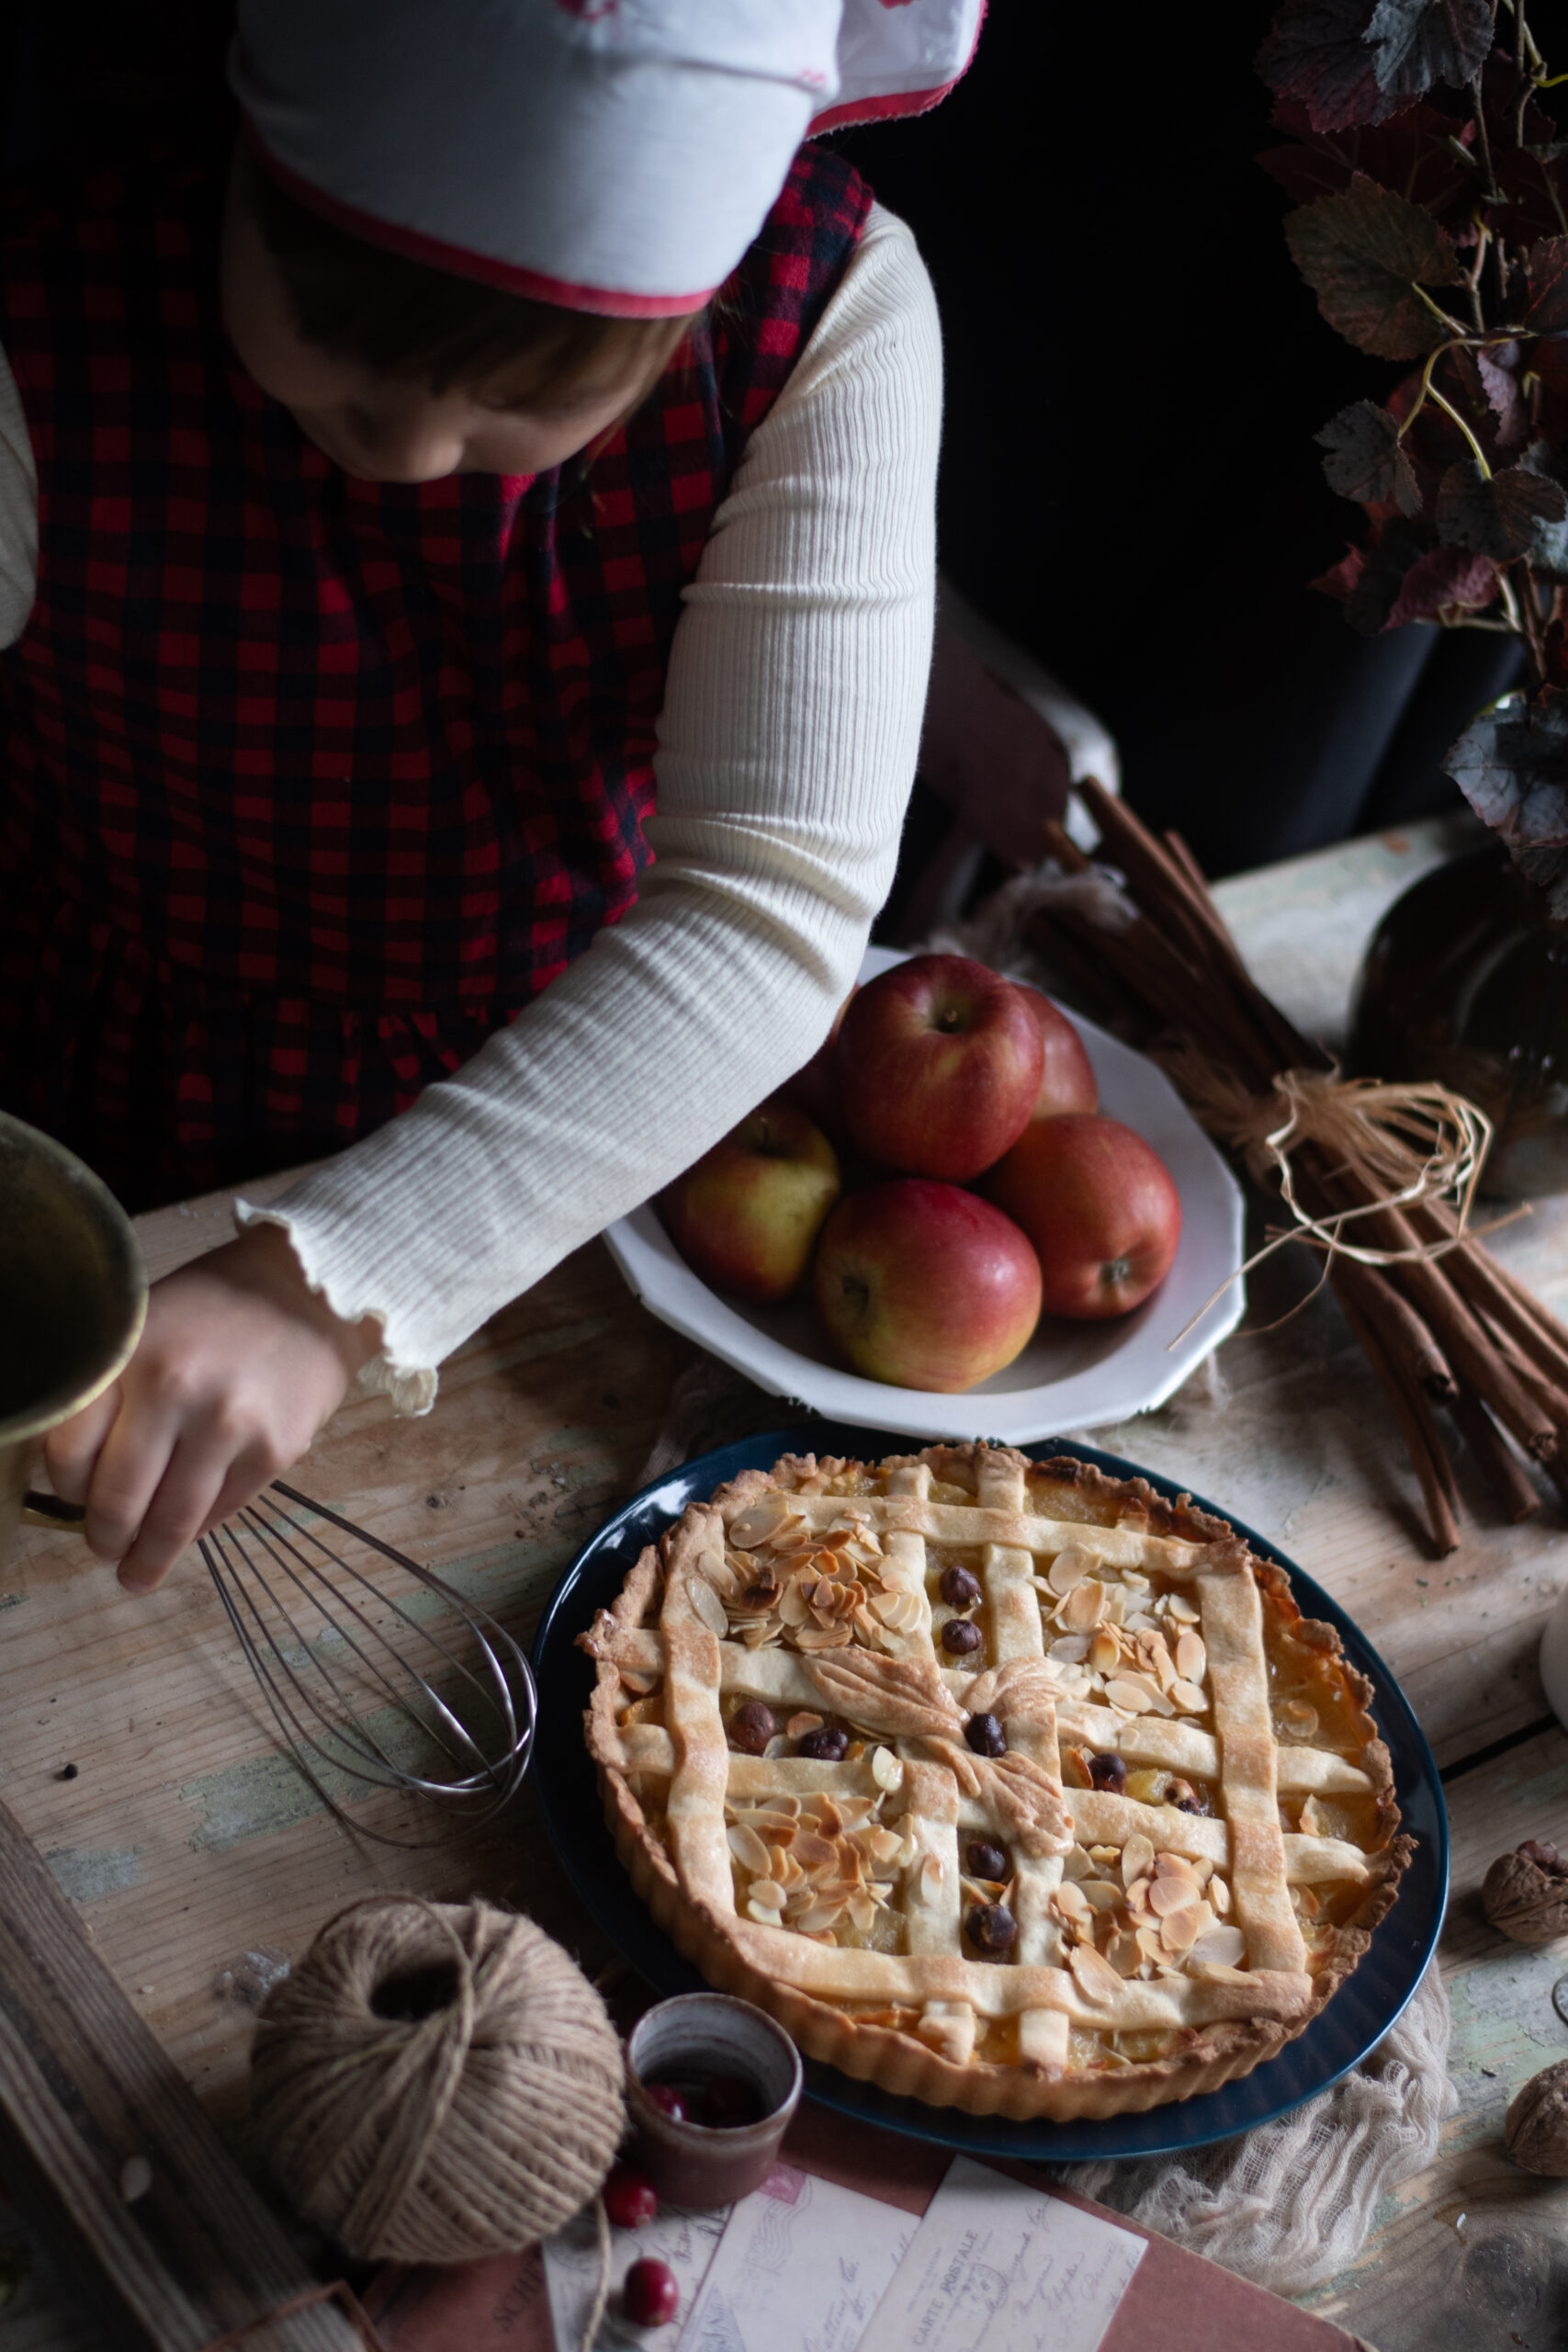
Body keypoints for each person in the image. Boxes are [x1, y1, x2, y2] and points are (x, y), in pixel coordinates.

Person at [0, 0, 967, 1589]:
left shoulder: (826, 316)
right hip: (96, 1100)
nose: (405, 446)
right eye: (333, 329)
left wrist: (330, 1285)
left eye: (525, 391)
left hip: (568, 1137)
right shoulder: (50, 301)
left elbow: (764, 901)